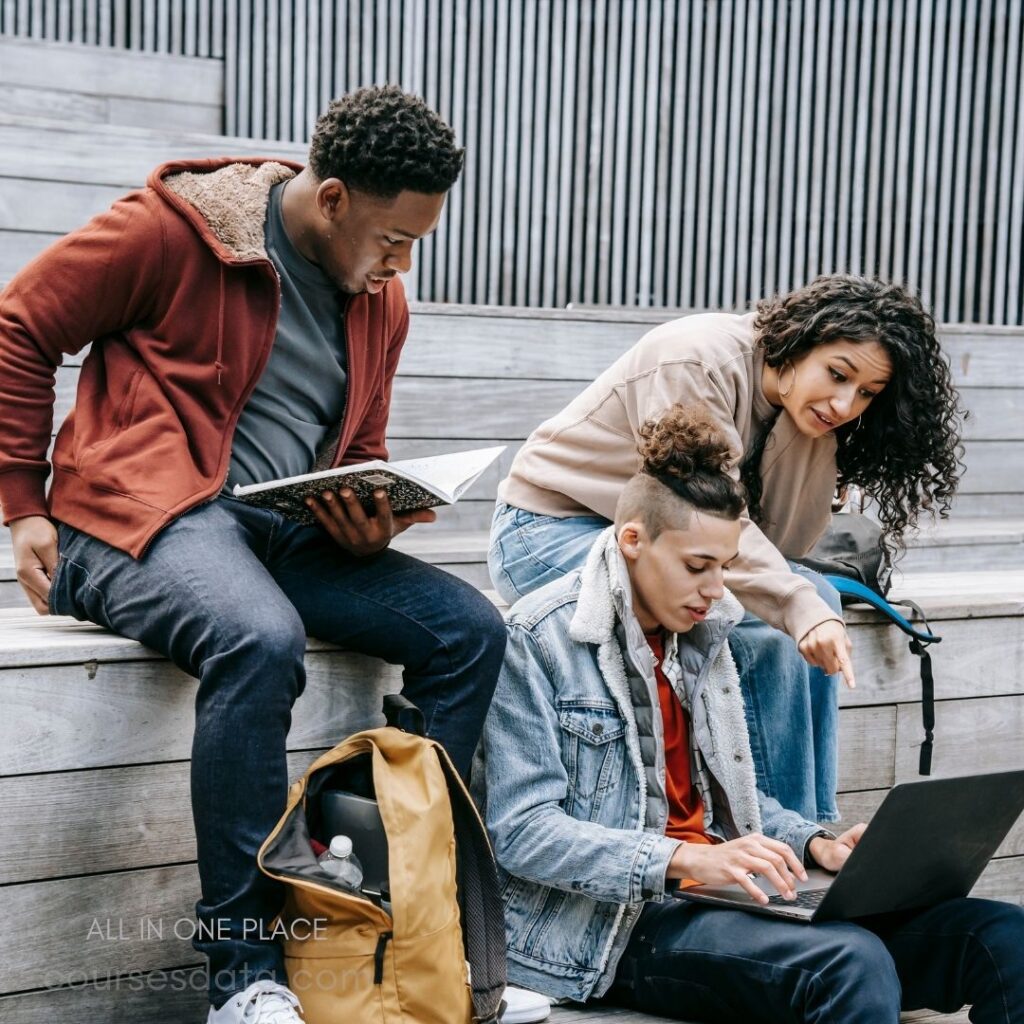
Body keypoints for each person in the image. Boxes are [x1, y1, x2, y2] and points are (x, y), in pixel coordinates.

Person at [0, 86, 512, 1024]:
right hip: (139, 518)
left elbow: (358, 445)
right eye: (393, 238)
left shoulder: (380, 300)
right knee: (259, 638)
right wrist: (21, 502)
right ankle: (244, 975)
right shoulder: (173, 231)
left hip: (282, 531)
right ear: (331, 201)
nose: (402, 264)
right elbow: (19, 323)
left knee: (471, 629)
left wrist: (368, 512)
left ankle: (399, 937)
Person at [480, 405, 1022, 1023]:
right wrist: (684, 860)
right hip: (612, 926)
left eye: (726, 567)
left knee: (1002, 938)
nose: (716, 590)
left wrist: (814, 843)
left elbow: (732, 801)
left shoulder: (704, 635)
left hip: (725, 898)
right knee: (849, 963)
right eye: (696, 566)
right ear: (632, 540)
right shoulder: (535, 639)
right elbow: (521, 832)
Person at [489, 275, 963, 823]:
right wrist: (789, 604)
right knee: (760, 620)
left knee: (820, 600)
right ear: (800, 339)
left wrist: (809, 437)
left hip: (670, 544)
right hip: (550, 527)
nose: (844, 403)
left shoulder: (808, 412)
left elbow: (783, 543)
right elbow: (706, 523)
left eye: (866, 394)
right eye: (837, 375)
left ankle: (807, 830)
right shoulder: (695, 361)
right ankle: (770, 832)